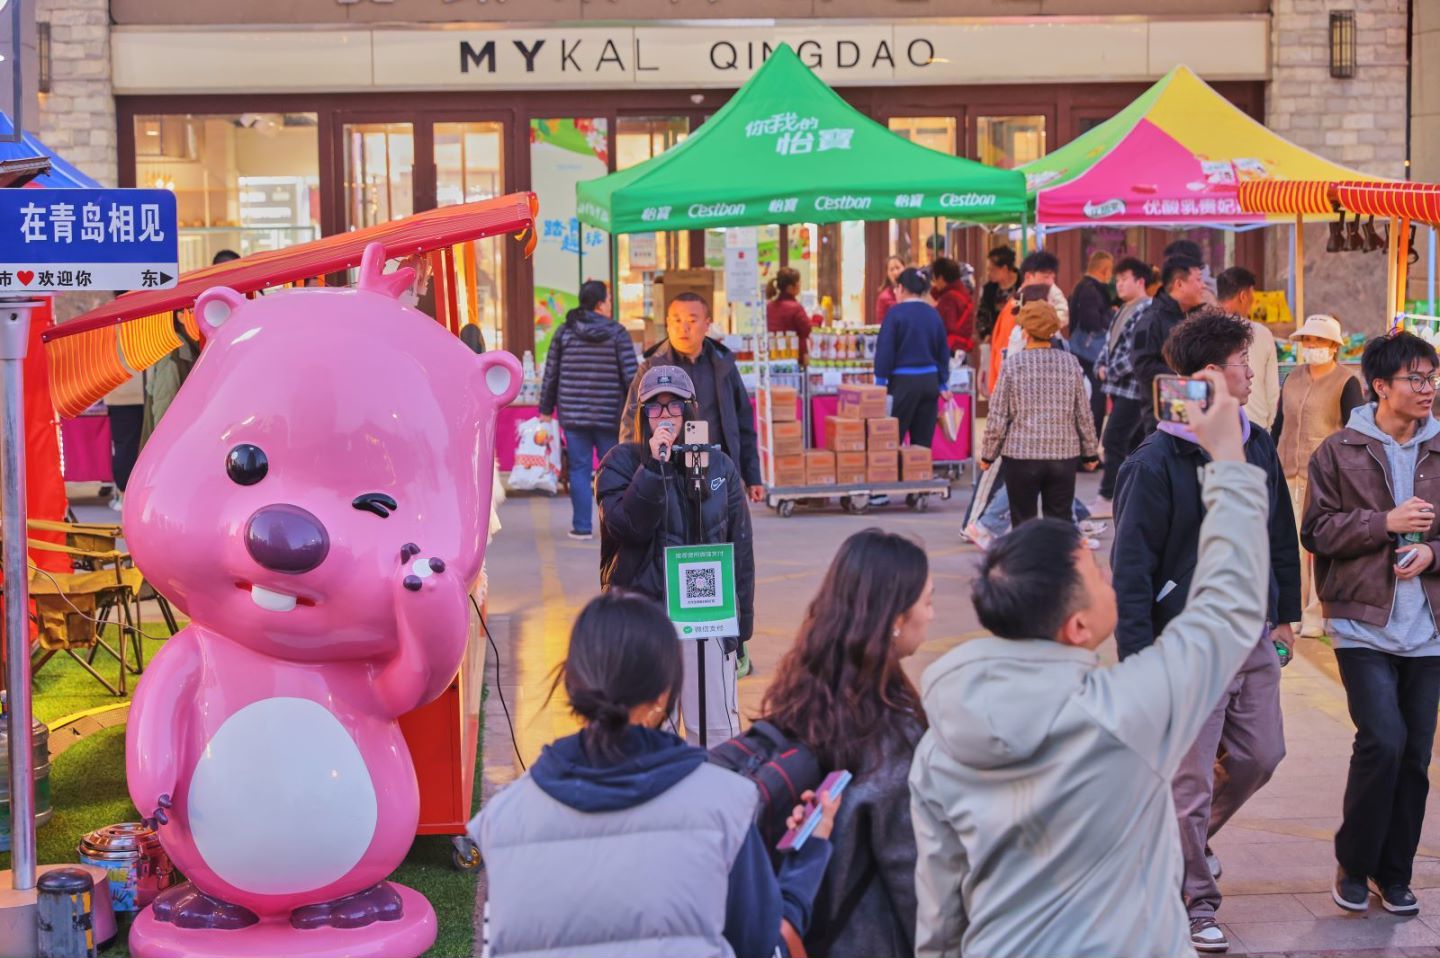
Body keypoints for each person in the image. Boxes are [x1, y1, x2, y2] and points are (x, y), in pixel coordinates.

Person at [911, 368, 1271, 958]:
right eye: (1092, 573)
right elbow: (1228, 607)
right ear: (1076, 628)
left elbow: (940, 911)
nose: (1109, 577)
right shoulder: (1125, 712)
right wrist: (1229, 458)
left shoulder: (940, 741)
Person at [473, 590, 837, 958]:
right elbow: (762, 947)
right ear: (665, 691)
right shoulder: (726, 804)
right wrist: (807, 857)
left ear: (573, 683)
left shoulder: (504, 817)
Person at [1112, 308, 1300, 953]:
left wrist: (1289, 612)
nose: (1253, 371)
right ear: (1212, 373)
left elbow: (1280, 530)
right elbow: (1130, 569)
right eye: (1244, 361)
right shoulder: (1156, 458)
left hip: (1252, 634)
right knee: (1187, 783)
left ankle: (1170, 844)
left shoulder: (1256, 440)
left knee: (1260, 757)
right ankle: (1195, 900)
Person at [1302, 331, 1440, 918]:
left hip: (1428, 630)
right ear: (1380, 386)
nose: (1427, 388)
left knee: (1414, 756)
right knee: (1382, 741)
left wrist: (1434, 553)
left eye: (1432, 377)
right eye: (1416, 379)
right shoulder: (1339, 451)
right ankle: (1354, 865)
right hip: (1362, 622)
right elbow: (1317, 532)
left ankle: (1395, 874)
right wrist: (1383, 522)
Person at [756, 529, 930, 958]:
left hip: (801, 923)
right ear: (894, 618)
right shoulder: (892, 734)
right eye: (926, 600)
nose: (931, 613)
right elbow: (913, 879)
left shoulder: (800, 695)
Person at [599, 365, 754, 746]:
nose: (665, 417)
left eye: (675, 407)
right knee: (653, 732)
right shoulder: (621, 463)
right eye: (655, 408)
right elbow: (625, 528)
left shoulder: (719, 466)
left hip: (709, 618)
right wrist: (654, 467)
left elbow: (741, 546)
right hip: (646, 619)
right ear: (641, 415)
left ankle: (712, 802)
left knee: (717, 731)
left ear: (691, 411)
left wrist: (742, 628)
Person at [621, 293, 764, 502]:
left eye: (692, 320)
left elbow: (743, 424)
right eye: (677, 320)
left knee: (721, 531)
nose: (684, 327)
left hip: (717, 471)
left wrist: (752, 477)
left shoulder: (723, 365)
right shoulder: (652, 369)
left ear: (707, 324)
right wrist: (631, 477)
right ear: (668, 324)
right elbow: (630, 424)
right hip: (669, 472)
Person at [1273, 314, 1364, 638]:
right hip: (1288, 472)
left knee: (1320, 547)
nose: (1312, 346)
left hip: (1325, 476)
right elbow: (1279, 424)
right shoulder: (1294, 377)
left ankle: (1316, 613)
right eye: (1308, 341)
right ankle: (1292, 610)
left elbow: (1354, 429)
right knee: (1290, 546)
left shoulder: (1346, 381)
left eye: (1318, 341)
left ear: (1333, 346)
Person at [980, 301, 1099, 525]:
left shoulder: (1012, 365)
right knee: (1060, 521)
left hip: (1021, 457)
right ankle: (1057, 559)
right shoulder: (1070, 363)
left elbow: (997, 417)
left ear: (1025, 332)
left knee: (1023, 521)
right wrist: (1090, 453)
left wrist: (988, 454)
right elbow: (1083, 413)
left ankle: (1027, 560)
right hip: (1063, 456)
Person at [538, 279, 638, 541]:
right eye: (608, 299)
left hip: (573, 415)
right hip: (609, 415)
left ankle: (582, 526)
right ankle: (614, 526)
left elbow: (551, 373)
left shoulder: (564, 332)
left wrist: (545, 409)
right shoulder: (617, 332)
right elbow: (631, 377)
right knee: (613, 469)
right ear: (600, 303)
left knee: (579, 470)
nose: (610, 304)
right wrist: (639, 410)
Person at [1089, 257, 1154, 519]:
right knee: (1134, 444)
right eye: (1117, 280)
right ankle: (1133, 497)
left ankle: (1108, 496)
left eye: (1124, 279)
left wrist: (1109, 372)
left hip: (1134, 390)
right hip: (1120, 389)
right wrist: (1100, 367)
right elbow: (1109, 345)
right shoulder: (1124, 309)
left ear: (1140, 281)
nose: (1119, 284)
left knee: (1113, 439)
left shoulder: (1146, 310)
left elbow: (1134, 353)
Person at [1129, 253, 1209, 434]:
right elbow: (1142, 365)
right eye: (1198, 280)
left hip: (1193, 414)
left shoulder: (1192, 315)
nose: (1203, 286)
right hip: (1164, 422)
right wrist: (1185, 376)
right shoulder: (1151, 321)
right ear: (1179, 284)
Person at [874, 267, 952, 449]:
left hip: (903, 383)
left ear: (900, 288)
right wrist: (942, 383)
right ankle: (920, 473)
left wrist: (880, 380)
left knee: (893, 438)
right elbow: (943, 352)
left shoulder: (895, 314)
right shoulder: (933, 314)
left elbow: (885, 349)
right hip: (929, 383)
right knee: (923, 442)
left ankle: (896, 475)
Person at [985, 250, 1071, 392]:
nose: (1050, 283)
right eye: (1045, 277)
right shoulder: (1014, 309)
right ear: (1028, 277)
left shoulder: (1041, 303)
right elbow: (1003, 351)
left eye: (1052, 277)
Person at [1217, 267, 1280, 430]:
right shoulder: (1261, 333)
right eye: (1252, 299)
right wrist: (1272, 429)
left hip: (1214, 427)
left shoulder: (1200, 332)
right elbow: (1273, 391)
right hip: (1255, 427)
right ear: (1243, 296)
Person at [1068, 250, 1115, 441]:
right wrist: (1111, 316)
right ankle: (1089, 451)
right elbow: (1091, 322)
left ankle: (1087, 450)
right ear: (1104, 270)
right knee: (1094, 401)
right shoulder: (1091, 290)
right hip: (1089, 355)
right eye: (1110, 271)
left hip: (1082, 353)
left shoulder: (1082, 286)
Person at [767, 266, 814, 365]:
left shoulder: (769, 306)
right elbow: (808, 330)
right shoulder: (795, 308)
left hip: (772, 357)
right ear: (790, 287)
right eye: (799, 282)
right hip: (793, 359)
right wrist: (818, 318)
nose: (800, 285)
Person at [930, 257, 976, 354]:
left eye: (934, 279)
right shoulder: (962, 292)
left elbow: (943, 327)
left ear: (941, 278)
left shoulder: (949, 298)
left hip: (951, 350)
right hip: (961, 348)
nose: (934, 284)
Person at [975, 246, 1018, 345]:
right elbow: (982, 314)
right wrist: (985, 333)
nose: (989, 274)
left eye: (992, 270)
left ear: (1004, 269)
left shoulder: (1022, 285)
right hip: (996, 340)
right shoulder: (989, 289)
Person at [873, 256, 906, 325]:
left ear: (904, 268)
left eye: (898, 268)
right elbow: (880, 323)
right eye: (891, 269)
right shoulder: (883, 297)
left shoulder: (913, 292)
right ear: (887, 273)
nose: (895, 272)